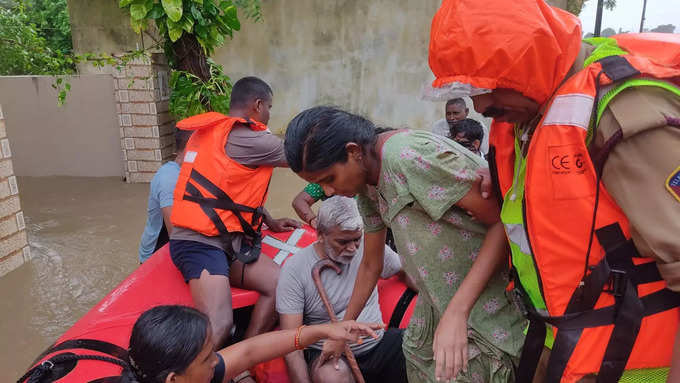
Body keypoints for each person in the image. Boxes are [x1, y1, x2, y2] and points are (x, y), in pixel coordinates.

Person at [426, 0, 680, 382]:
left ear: (530, 62)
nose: (480, 105)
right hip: (566, 346)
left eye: (488, 86)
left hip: (632, 362)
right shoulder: (533, 112)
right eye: (468, 88)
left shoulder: (621, 112)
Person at [284, 106, 526, 383]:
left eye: (329, 179)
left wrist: (457, 313)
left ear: (353, 151)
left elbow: (502, 222)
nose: (327, 192)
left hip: (483, 305)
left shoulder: (405, 158)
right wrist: (343, 330)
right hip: (438, 304)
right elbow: (371, 264)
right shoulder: (366, 183)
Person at [169, 76, 302, 383]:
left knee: (279, 283)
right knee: (219, 324)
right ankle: (184, 377)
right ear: (258, 105)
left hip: (226, 241)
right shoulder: (251, 138)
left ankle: (241, 358)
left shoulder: (211, 133)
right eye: (269, 107)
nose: (269, 114)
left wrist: (268, 221)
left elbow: (225, 192)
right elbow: (303, 157)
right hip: (199, 243)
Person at [277, 196, 412, 383]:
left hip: (378, 344)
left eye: (356, 239)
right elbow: (292, 343)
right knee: (331, 375)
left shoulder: (368, 246)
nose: (352, 249)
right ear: (321, 234)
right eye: (342, 242)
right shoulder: (295, 270)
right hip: (329, 354)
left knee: (421, 349)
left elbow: (404, 272)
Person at [124, 305, 384, 383]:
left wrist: (324, 330)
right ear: (174, 380)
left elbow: (250, 351)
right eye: (207, 359)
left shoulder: (191, 376)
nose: (217, 360)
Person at [137, 128, 193, 263]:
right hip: (155, 253)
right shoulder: (170, 179)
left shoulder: (190, 171)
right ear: (190, 149)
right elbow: (175, 234)